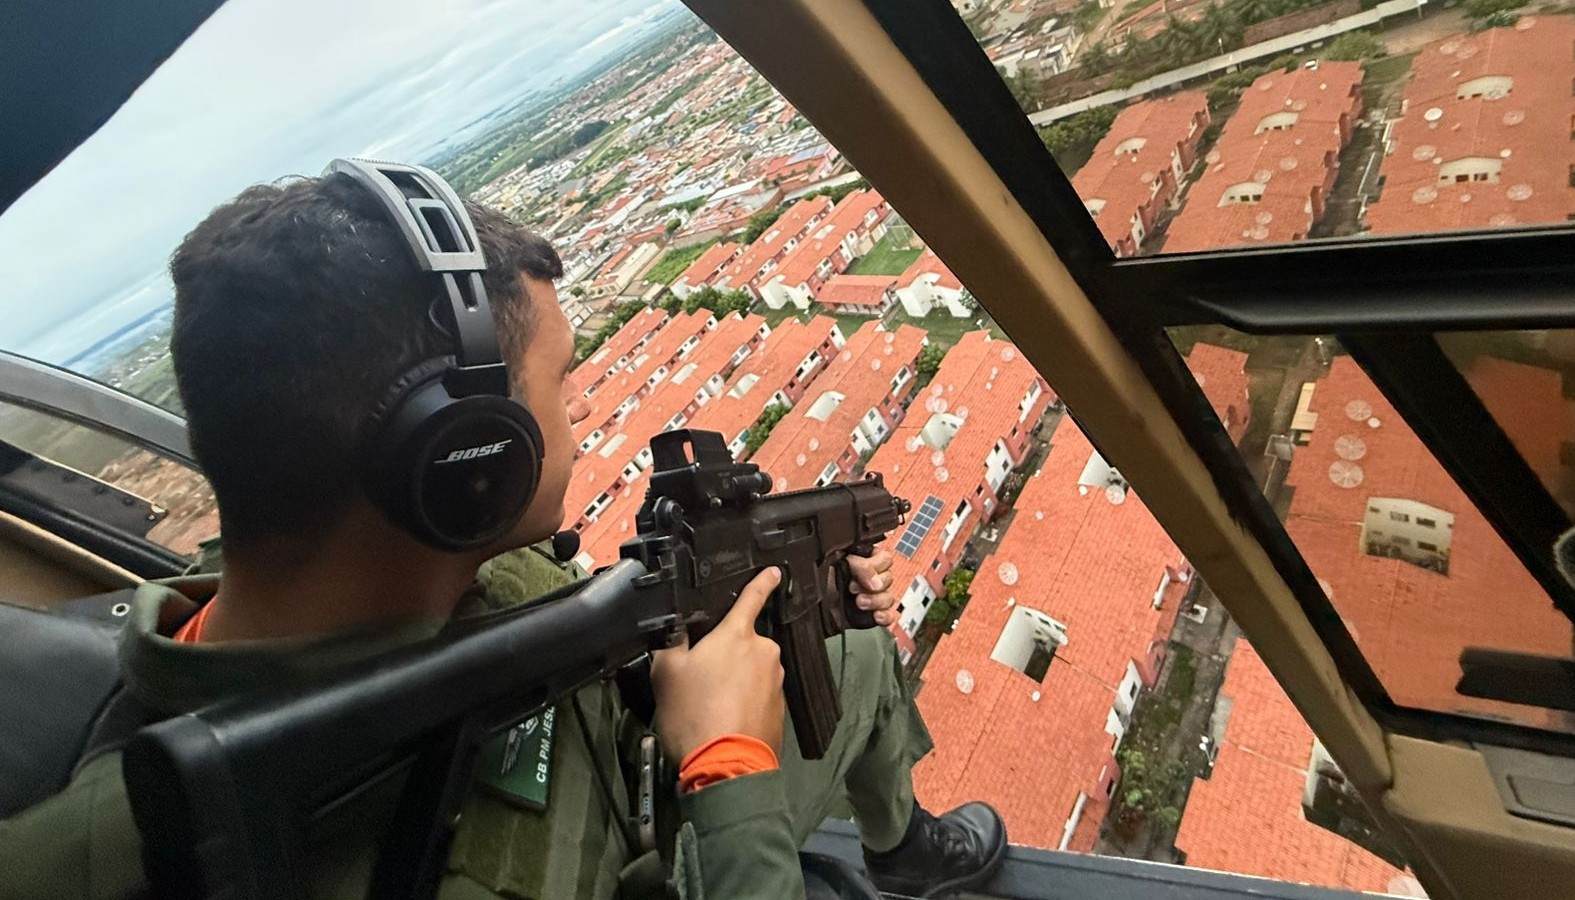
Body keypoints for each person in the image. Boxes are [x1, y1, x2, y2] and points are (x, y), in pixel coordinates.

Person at [0, 167, 1005, 898]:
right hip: (678, 842)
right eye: (560, 389)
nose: (577, 430)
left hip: (629, 778)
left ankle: (898, 850)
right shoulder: (230, 842)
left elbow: (552, 645)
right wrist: (726, 769)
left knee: (851, 646)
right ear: (459, 463)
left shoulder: (314, 575)